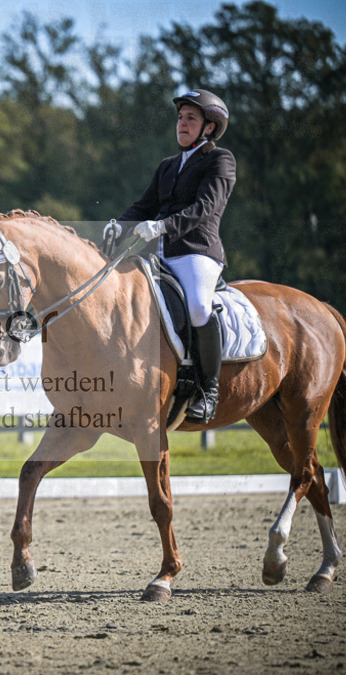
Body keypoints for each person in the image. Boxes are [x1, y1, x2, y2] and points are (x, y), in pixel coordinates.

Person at [109, 89, 236, 424]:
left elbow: (205, 207)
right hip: (159, 253)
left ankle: (208, 391)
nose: (182, 123)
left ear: (209, 127)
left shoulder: (220, 160)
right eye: (180, 118)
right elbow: (143, 206)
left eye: (191, 118)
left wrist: (163, 226)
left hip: (196, 252)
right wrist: (118, 226)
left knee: (198, 306)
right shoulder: (167, 166)